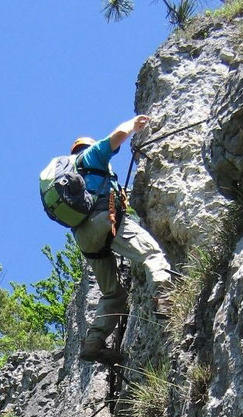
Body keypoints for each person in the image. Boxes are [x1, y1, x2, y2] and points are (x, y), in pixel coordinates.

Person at [72, 115, 172, 365]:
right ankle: (166, 299)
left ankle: (94, 342)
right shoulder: (91, 156)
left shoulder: (73, 179)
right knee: (151, 254)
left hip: (85, 238)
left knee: (112, 294)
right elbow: (116, 136)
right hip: (105, 221)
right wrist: (133, 125)